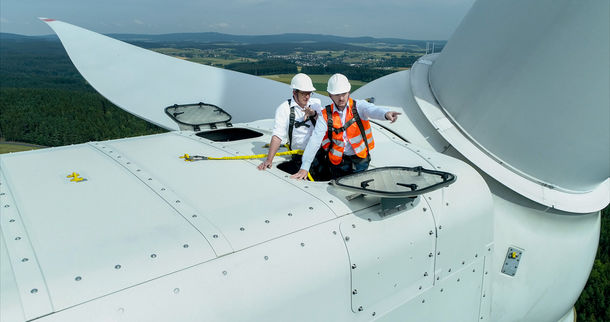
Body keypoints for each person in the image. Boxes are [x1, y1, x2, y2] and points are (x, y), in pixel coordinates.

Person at [291, 73, 400, 180]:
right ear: (330, 95)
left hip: (360, 160)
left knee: (359, 187)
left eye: (344, 94)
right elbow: (315, 139)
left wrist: (385, 114)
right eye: (337, 94)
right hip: (338, 163)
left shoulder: (359, 107)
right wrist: (305, 167)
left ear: (349, 92)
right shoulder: (325, 115)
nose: (341, 98)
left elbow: (372, 110)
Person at [258, 73, 321, 174]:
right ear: (294, 92)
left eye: (309, 93)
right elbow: (277, 135)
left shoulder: (316, 104)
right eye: (304, 93)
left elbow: (326, 124)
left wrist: (313, 114)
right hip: (299, 158)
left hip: (319, 155)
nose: (307, 97)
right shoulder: (284, 109)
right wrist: (269, 160)